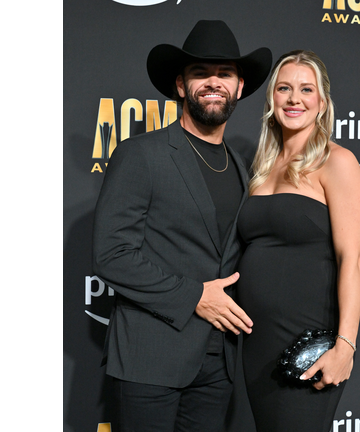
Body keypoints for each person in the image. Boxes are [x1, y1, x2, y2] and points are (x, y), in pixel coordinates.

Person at [91, 20, 272, 432]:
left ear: (240, 87)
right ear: (179, 85)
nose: (213, 82)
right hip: (151, 356)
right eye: (200, 73)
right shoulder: (141, 154)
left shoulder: (242, 168)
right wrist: (194, 297)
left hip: (218, 360)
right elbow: (111, 255)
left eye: (225, 73)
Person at [236, 50, 360, 432]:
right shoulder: (261, 168)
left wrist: (345, 346)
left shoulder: (337, 161)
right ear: (272, 99)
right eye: (284, 88)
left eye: (306, 89)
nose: (294, 98)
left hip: (308, 339)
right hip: (257, 340)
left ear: (322, 102)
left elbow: (353, 259)